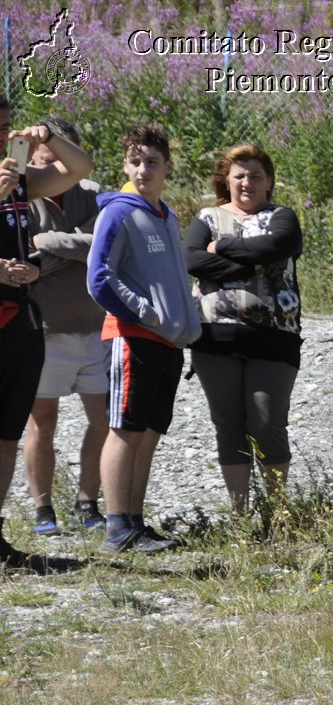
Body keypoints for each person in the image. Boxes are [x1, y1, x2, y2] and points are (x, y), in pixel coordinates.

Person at [87, 124, 202, 554]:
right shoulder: (118, 212)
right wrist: (146, 312)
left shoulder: (166, 215)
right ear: (124, 165)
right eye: (135, 161)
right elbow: (99, 279)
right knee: (125, 430)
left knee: (149, 432)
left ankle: (134, 523)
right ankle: (116, 528)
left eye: (152, 162)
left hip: (168, 342)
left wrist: (183, 312)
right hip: (133, 337)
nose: (143, 170)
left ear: (168, 167)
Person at [0, 97, 94, 566]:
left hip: (19, 319)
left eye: (5, 128)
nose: (2, 138)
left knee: (5, 434)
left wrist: (48, 139)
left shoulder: (20, 180)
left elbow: (80, 168)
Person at [185, 144, 304, 511]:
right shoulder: (206, 215)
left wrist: (221, 246)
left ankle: (278, 512)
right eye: (239, 176)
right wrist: (245, 266)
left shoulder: (282, 216)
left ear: (268, 181)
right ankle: (240, 515)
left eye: (255, 175)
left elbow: (279, 245)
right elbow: (191, 259)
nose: (247, 182)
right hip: (215, 337)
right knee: (229, 425)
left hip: (274, 338)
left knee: (267, 423)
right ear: (226, 180)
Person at [22, 117, 107, 537]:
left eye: (62, 157)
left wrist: (48, 246)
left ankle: (88, 502)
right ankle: (43, 509)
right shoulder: (23, 194)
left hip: (95, 325)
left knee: (104, 419)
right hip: (45, 329)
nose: (53, 166)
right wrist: (72, 246)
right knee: (43, 422)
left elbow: (104, 246)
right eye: (44, 159)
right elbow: (23, 258)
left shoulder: (95, 195)